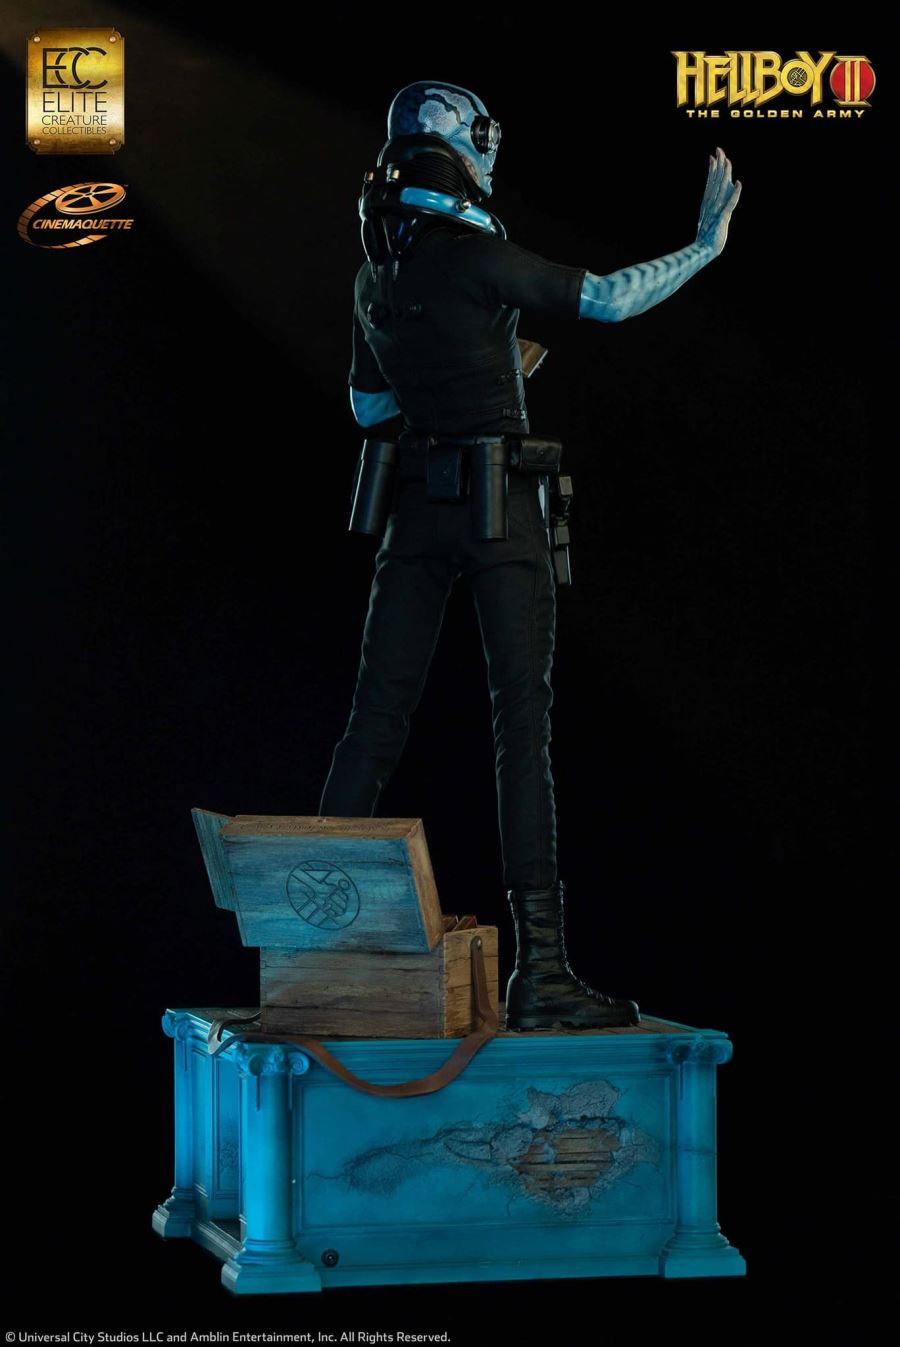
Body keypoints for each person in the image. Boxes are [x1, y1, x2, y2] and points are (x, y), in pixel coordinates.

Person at [319, 81, 741, 1031]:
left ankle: (316, 957)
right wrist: (705, 248)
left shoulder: (377, 274)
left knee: (373, 721)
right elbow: (607, 299)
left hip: (416, 511)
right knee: (522, 727)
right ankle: (540, 973)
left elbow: (369, 407)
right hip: (497, 507)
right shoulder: (477, 254)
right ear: (460, 148)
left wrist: (460, 368)